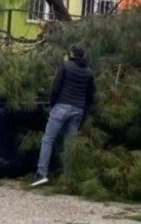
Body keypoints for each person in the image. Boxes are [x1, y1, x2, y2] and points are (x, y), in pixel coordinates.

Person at [31, 44, 96, 187]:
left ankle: (41, 174)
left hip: (62, 106)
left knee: (48, 139)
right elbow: (90, 96)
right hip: (78, 109)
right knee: (69, 144)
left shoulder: (65, 66)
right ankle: (67, 178)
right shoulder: (89, 72)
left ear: (71, 53)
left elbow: (56, 87)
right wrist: (83, 111)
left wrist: (52, 104)